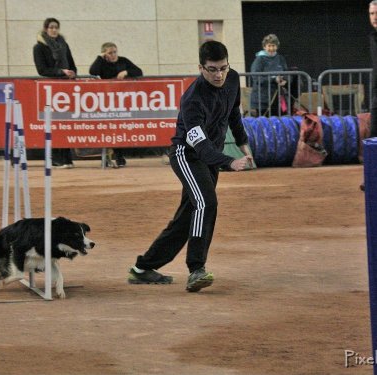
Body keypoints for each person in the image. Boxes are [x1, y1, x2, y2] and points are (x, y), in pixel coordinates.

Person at [127, 41, 254, 292]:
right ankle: (197, 269)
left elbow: (233, 115)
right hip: (187, 155)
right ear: (200, 68)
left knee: (187, 217)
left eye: (223, 68)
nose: (219, 75)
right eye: (212, 69)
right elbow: (202, 147)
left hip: (210, 157)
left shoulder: (232, 79)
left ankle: (143, 268)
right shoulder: (192, 100)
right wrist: (230, 161)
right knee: (206, 203)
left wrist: (243, 144)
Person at [89, 42, 143, 167]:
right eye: (110, 53)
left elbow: (139, 71)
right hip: (107, 100)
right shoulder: (102, 62)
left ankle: (119, 156)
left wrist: (126, 73)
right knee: (109, 128)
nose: (113, 55)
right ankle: (107, 156)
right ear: (104, 54)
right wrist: (100, 58)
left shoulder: (123, 61)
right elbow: (93, 71)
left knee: (119, 128)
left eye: (115, 52)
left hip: (122, 100)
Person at [33, 17, 77, 168]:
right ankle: (56, 157)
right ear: (46, 29)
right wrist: (60, 72)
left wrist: (72, 73)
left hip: (65, 87)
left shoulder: (64, 45)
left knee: (65, 123)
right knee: (54, 124)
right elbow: (42, 70)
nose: (54, 30)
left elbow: (72, 64)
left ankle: (67, 157)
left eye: (56, 27)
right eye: (51, 27)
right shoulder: (39, 47)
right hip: (50, 88)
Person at [250, 34, 288, 117]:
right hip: (261, 101)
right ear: (264, 47)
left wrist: (285, 80)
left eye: (273, 46)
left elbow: (286, 73)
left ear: (277, 46)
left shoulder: (281, 59)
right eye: (269, 46)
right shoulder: (259, 60)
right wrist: (274, 79)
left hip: (278, 99)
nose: (271, 48)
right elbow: (256, 77)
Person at [363, 1, 377, 191]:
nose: (375, 17)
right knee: (373, 138)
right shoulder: (373, 38)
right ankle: (372, 179)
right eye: (372, 13)